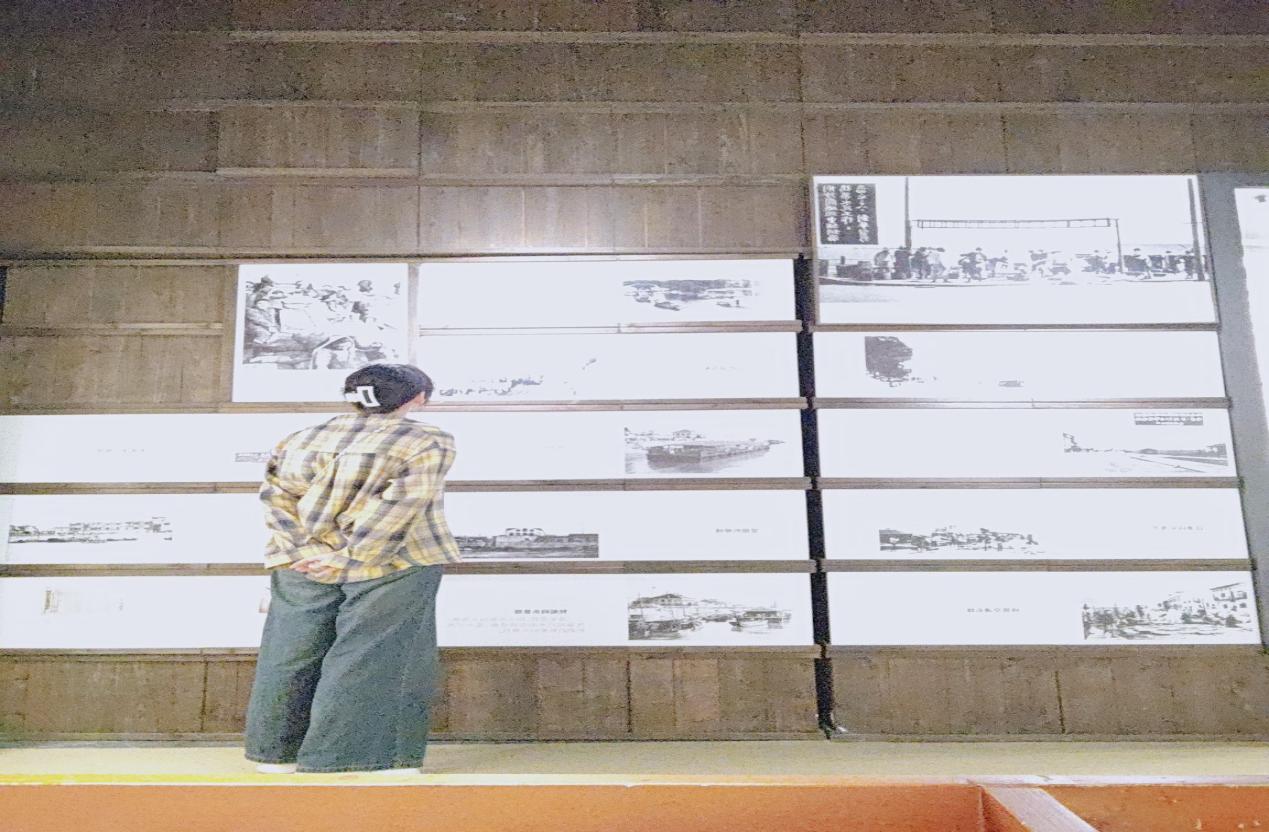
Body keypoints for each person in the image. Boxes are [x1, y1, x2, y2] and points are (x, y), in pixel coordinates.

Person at [244, 364, 460, 774]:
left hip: (300, 562)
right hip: (396, 562)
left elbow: (275, 498)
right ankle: (356, 759)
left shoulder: (299, 438)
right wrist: (349, 557)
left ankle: (276, 754)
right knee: (376, 655)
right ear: (418, 398)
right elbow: (400, 507)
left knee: (289, 651)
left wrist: (308, 550)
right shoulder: (427, 440)